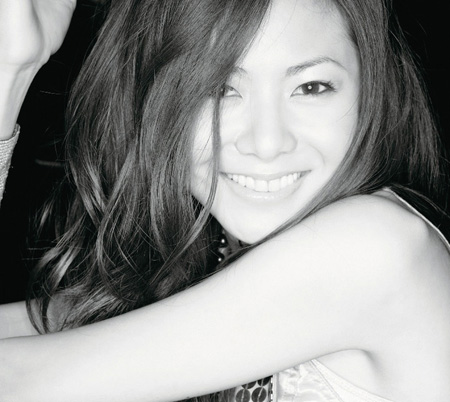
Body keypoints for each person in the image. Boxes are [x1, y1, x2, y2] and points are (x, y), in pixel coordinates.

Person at [0, 0, 449, 401]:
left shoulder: (375, 250)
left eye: (311, 87)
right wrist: (13, 68)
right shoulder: (210, 257)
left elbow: (16, 381)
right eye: (218, 89)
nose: (266, 143)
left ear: (372, 91)